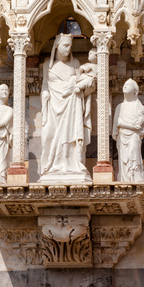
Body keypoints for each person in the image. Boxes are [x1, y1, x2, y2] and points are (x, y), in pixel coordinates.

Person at [39, 34, 93, 183]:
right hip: (53, 105)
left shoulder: (75, 63)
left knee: (71, 134)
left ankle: (73, 164)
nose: (68, 49)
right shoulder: (47, 65)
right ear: (57, 46)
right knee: (50, 134)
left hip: (72, 103)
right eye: (65, 45)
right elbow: (45, 85)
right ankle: (52, 166)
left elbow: (80, 82)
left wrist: (86, 85)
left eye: (70, 46)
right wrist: (44, 95)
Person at [112, 79, 144, 182]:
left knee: (133, 153)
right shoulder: (120, 106)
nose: (125, 86)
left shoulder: (140, 107)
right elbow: (118, 122)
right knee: (124, 157)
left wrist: (140, 131)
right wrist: (131, 127)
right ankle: (125, 178)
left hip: (134, 136)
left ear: (135, 90)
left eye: (128, 85)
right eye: (124, 84)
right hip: (123, 135)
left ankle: (135, 177)